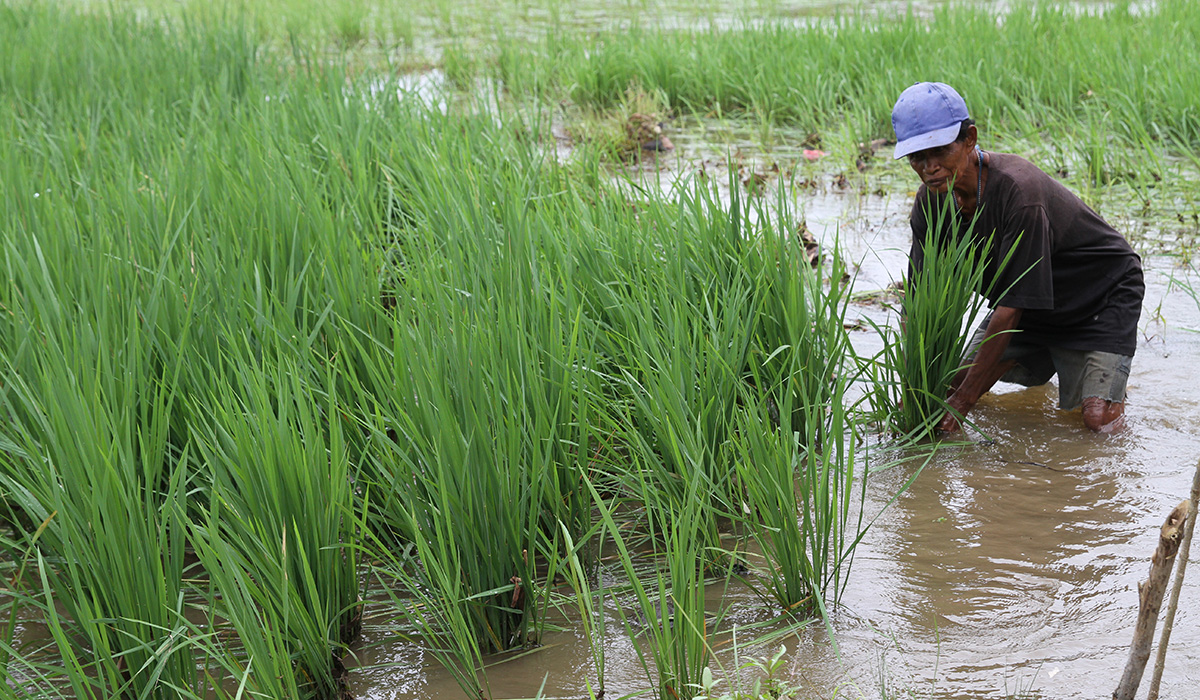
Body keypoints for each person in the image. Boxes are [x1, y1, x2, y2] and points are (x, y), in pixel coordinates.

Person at [891, 82, 1144, 434]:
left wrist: (963, 403)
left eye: (941, 151)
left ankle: (1105, 385)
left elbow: (1009, 311)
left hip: (1098, 296)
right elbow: (918, 301)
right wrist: (912, 388)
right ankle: (1049, 363)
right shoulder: (930, 205)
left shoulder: (1018, 192)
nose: (929, 167)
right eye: (918, 157)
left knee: (1096, 422)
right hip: (1031, 304)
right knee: (947, 385)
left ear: (970, 140)